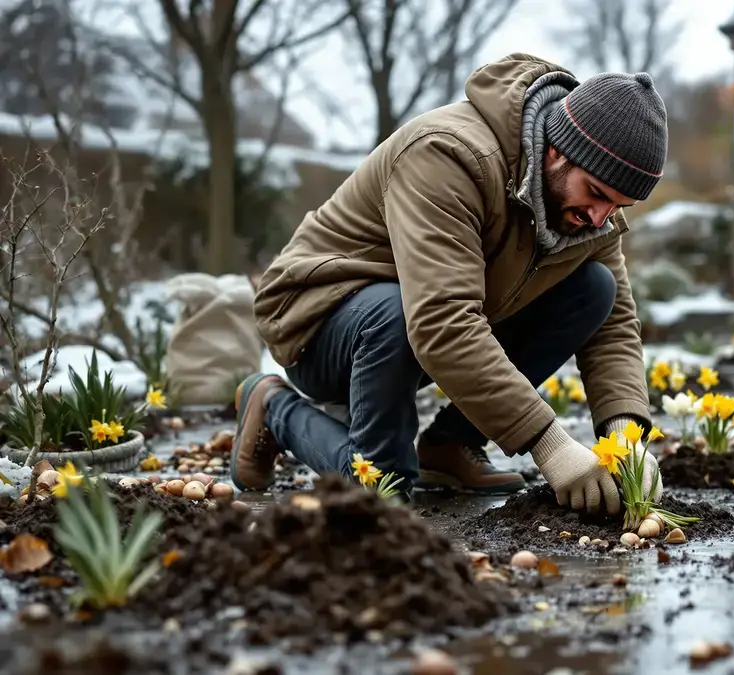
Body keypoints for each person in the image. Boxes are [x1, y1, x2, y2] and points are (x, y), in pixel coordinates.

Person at [230, 53, 667, 514]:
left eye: (619, 206)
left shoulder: (589, 216)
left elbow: (613, 326)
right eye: (596, 193)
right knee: (383, 491)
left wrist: (626, 437)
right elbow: (443, 323)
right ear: (558, 150)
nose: (600, 217)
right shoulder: (448, 155)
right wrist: (550, 444)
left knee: (595, 288)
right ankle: (273, 407)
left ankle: (450, 446)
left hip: (410, 326)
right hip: (317, 321)